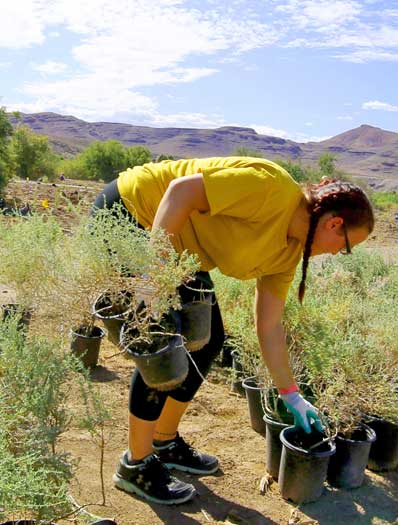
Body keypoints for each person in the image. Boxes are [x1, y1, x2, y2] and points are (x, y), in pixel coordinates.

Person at [92, 156, 375, 505]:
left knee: (208, 342)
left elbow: (268, 324)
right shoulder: (272, 188)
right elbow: (180, 192)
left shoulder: (288, 254)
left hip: (181, 247)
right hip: (132, 213)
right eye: (346, 248)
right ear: (335, 225)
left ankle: (163, 441)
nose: (338, 254)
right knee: (162, 346)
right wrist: (153, 276)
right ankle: (135, 464)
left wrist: (290, 392)